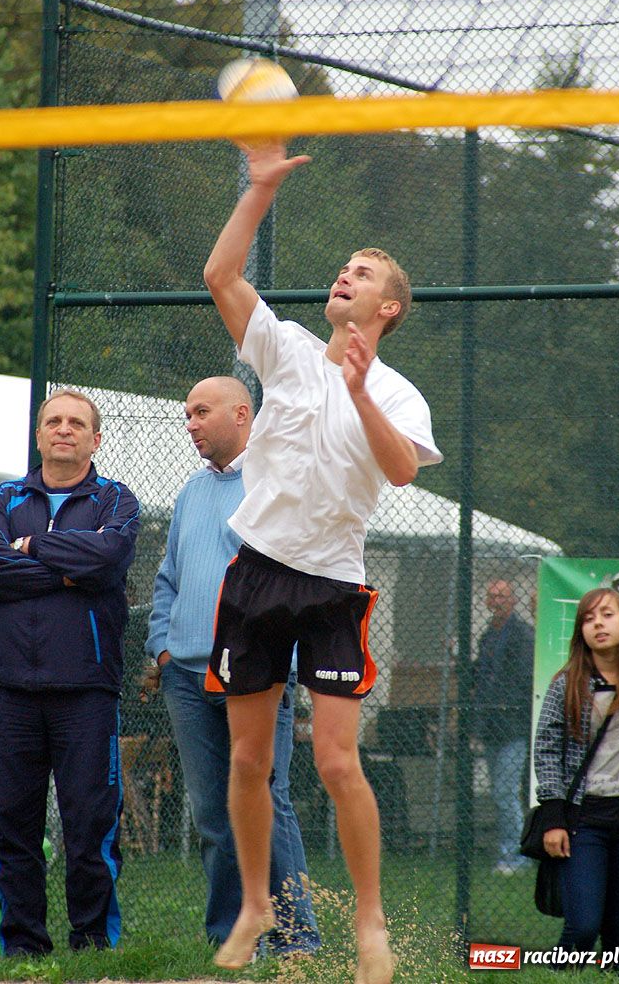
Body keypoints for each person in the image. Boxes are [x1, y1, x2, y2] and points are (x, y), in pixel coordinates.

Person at [201, 142, 443, 982]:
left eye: (366, 272)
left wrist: (362, 389)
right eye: (346, 266)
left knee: (339, 761)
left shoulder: (397, 390)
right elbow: (222, 277)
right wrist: (260, 189)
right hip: (258, 571)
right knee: (247, 763)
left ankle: (369, 922)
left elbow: (404, 468)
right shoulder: (291, 348)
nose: (348, 274)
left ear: (389, 308)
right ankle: (258, 904)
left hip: (333, 585)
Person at [144, 375, 320, 956]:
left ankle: (296, 942)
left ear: (242, 414)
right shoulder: (191, 491)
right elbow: (167, 578)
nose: (189, 423)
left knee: (268, 801)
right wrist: (163, 647)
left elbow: (301, 578)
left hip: (255, 676)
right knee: (211, 815)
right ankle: (231, 939)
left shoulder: (277, 483)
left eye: (201, 411)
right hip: (186, 679)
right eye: (186, 413)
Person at [0, 390, 140, 957]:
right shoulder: (2, 499)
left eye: (76, 423)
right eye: (53, 422)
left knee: (90, 826)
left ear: (95, 438)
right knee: (14, 829)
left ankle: (93, 943)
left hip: (88, 690)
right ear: (39, 436)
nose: (64, 430)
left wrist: (34, 549)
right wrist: (70, 569)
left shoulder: (116, 500)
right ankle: (24, 948)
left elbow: (109, 557)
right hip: (12, 692)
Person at [534, 588, 619, 970]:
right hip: (583, 821)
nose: (598, 625)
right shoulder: (568, 683)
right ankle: (558, 975)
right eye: (589, 619)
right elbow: (546, 748)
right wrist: (554, 817)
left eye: (607, 615)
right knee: (583, 925)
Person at [474, 579, 534, 874]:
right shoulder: (487, 637)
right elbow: (480, 678)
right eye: (491, 596)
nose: (496, 601)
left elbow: (520, 679)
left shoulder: (523, 635)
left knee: (505, 790)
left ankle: (517, 854)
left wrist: (504, 701)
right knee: (501, 791)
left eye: (502, 596)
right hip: (490, 726)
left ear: (513, 601)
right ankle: (509, 850)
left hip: (514, 726)